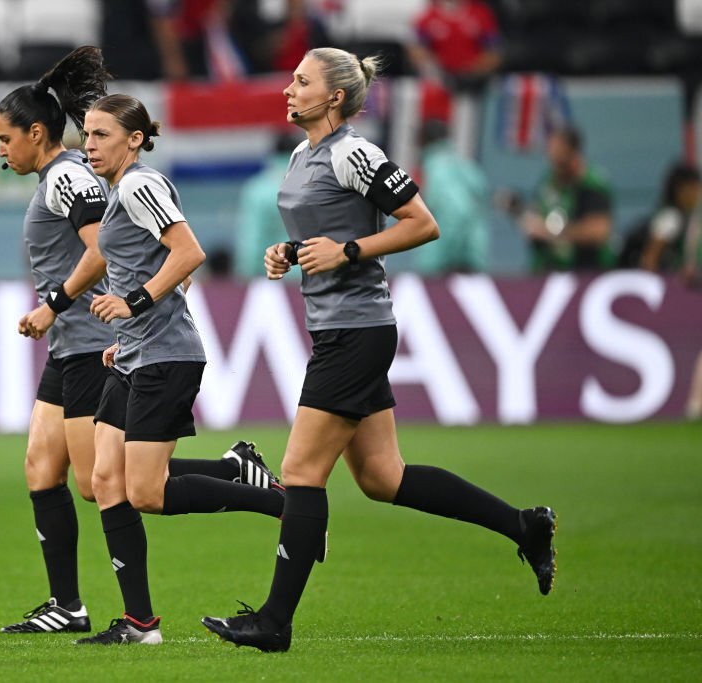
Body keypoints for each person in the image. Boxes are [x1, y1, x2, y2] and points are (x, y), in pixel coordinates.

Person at [201, 47, 557, 653]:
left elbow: (423, 223)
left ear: (335, 97)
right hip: (340, 327)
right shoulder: (301, 155)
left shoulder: (356, 153)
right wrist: (290, 254)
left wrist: (349, 252)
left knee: (299, 473)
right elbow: (327, 232)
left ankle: (274, 622)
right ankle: (524, 526)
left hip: (357, 329)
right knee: (381, 476)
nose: (289, 88)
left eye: (302, 80)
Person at [0, 47, 278, 636]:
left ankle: (229, 475)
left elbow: (105, 249)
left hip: (92, 338)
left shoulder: (73, 177)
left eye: (5, 138)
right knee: (48, 470)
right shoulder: (72, 174)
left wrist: (57, 303)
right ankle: (71, 606)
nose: (1, 151)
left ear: (36, 131)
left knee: (109, 481)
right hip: (79, 342)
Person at [74, 93, 287, 646]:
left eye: (101, 135)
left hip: (168, 357)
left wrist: (135, 306)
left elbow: (188, 253)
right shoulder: (121, 190)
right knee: (103, 481)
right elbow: (170, 268)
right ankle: (140, 623)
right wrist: (126, 334)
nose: (88, 144)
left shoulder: (142, 184)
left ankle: (272, 498)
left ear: (134, 140)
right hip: (136, 353)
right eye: (86, 134)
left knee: (145, 492)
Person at [521, 126, 613, 272]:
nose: (552, 158)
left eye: (558, 153)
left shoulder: (591, 184)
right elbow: (537, 214)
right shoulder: (548, 181)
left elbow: (598, 231)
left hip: (586, 272)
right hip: (548, 270)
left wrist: (551, 232)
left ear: (572, 152)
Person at [413, 118, 489, 274]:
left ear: (424, 141)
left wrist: (446, 260)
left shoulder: (436, 169)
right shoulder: (465, 164)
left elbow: (456, 213)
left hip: (449, 262)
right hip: (472, 255)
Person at [235, 131, 303, 279]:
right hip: (314, 275)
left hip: (272, 277)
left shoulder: (257, 189)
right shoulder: (317, 184)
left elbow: (252, 240)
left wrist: (246, 275)